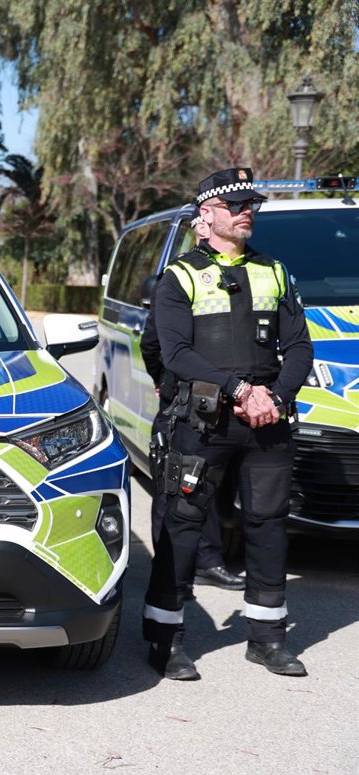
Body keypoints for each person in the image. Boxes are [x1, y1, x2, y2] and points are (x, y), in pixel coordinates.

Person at [143, 167, 313, 681]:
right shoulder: (180, 276)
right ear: (206, 214)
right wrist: (239, 390)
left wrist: (274, 398)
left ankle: (267, 638)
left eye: (250, 205)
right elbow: (175, 352)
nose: (246, 213)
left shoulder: (275, 271)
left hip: (266, 419)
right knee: (183, 526)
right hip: (203, 421)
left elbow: (299, 347)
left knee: (268, 524)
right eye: (234, 206)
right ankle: (165, 639)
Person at [141, 216, 243, 594]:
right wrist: (164, 384)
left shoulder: (244, 275)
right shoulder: (179, 278)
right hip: (184, 400)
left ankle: (205, 562)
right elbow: (153, 344)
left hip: (222, 400)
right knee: (174, 483)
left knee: (203, 484)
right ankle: (172, 571)